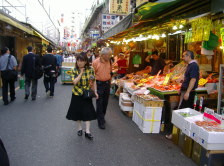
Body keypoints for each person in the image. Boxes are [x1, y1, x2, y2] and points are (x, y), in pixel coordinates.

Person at [166, 50, 199, 139]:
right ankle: (180, 134)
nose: (182, 58)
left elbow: (193, 80)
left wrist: (187, 92)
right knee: (181, 112)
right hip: (184, 91)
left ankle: (175, 134)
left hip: (189, 92)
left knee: (180, 113)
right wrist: (181, 89)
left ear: (189, 56)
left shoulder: (194, 66)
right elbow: (186, 79)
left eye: (184, 56)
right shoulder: (189, 65)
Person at [66, 52, 98, 140]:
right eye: (78, 60)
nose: (79, 62)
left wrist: (95, 91)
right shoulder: (74, 70)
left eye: (81, 61)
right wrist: (81, 73)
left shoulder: (91, 69)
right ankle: (79, 128)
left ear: (85, 61)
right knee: (78, 112)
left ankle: (87, 131)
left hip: (86, 93)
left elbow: (93, 80)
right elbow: (74, 82)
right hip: (76, 93)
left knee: (88, 112)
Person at [92, 47, 112, 129]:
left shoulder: (109, 61)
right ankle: (100, 121)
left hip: (107, 83)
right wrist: (93, 88)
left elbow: (110, 72)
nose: (110, 56)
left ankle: (101, 116)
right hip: (99, 84)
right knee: (99, 103)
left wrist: (110, 81)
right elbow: (92, 75)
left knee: (105, 102)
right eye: (109, 55)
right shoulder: (96, 62)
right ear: (103, 55)